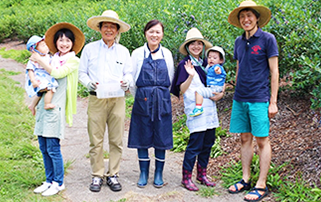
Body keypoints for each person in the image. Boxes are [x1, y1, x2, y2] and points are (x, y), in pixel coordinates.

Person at [227, 1, 279, 201]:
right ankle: (246, 178)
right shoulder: (239, 41)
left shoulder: (268, 39)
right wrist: (235, 90)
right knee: (244, 139)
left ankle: (261, 184)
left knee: (262, 140)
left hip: (259, 98)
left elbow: (274, 71)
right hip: (240, 98)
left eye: (249, 15)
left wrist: (273, 101)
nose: (245, 19)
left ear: (257, 18)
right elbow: (240, 67)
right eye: (242, 16)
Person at [78, 10, 132, 192]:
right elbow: (82, 72)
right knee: (96, 139)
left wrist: (127, 82)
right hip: (97, 99)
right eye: (105, 26)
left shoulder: (124, 52)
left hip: (117, 98)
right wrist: (89, 83)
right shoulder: (90, 49)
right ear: (100, 29)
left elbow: (129, 73)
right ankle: (97, 174)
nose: (109, 29)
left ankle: (113, 174)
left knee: (116, 139)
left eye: (112, 26)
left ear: (117, 30)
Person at [29, 22, 85, 196]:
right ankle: (49, 179)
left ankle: (58, 182)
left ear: (73, 43)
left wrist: (39, 60)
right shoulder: (51, 58)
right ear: (56, 42)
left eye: (68, 40)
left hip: (56, 108)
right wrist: (34, 103)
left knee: (53, 147)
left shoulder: (73, 60)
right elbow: (42, 82)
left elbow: (57, 73)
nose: (64, 43)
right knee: (43, 146)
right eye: (61, 40)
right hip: (44, 109)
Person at [170, 27, 225, 191]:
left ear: (202, 45)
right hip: (195, 108)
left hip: (210, 108)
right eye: (192, 43)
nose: (196, 46)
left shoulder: (206, 64)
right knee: (195, 144)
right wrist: (191, 75)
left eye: (199, 43)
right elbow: (181, 89)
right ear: (187, 46)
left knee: (208, 143)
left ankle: (201, 175)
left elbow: (217, 85)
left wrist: (220, 95)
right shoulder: (184, 64)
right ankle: (186, 178)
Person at [127, 19, 174, 188]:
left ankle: (159, 173)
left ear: (162, 34)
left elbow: (170, 77)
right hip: (142, 99)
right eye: (151, 31)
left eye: (158, 32)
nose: (154, 35)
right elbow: (132, 80)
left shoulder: (167, 54)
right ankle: (143, 172)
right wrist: (141, 96)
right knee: (142, 135)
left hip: (162, 99)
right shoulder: (137, 53)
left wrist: (160, 95)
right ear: (145, 33)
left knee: (161, 135)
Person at [25, 35, 58, 115]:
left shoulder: (48, 57)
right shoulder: (34, 59)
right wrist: (33, 81)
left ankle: (32, 105)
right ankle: (47, 104)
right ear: (35, 49)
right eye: (43, 46)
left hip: (47, 76)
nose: (46, 47)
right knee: (50, 88)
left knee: (40, 93)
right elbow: (30, 70)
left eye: (46, 45)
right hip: (39, 78)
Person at [189, 46, 226, 117]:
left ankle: (198, 107)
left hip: (215, 88)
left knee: (199, 92)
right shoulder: (209, 67)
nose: (211, 59)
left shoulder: (217, 67)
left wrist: (217, 71)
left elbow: (218, 70)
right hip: (214, 87)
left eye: (215, 58)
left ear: (220, 60)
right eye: (209, 57)